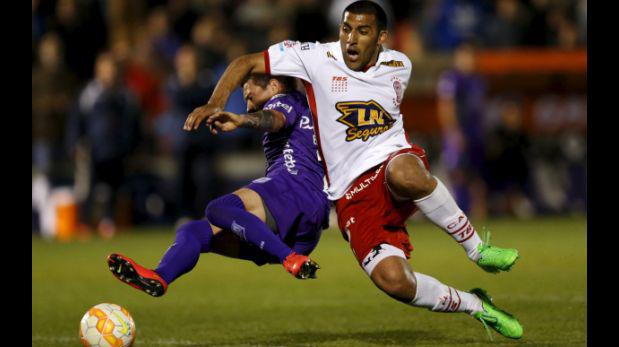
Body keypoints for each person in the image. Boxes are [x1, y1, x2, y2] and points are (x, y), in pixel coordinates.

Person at [184, 0, 522, 340]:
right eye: (347, 29)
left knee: (407, 172)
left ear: (381, 38)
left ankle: (478, 249)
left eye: (363, 31)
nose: (351, 39)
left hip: (391, 162)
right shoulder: (315, 58)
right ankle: (477, 306)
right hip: (351, 194)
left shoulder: (399, 65)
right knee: (394, 281)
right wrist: (216, 102)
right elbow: (246, 62)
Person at [107, 73, 330, 297]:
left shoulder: (286, 99)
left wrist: (241, 120)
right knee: (194, 231)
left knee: (218, 209)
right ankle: (160, 277)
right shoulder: (308, 112)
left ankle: (288, 258)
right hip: (303, 231)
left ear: (273, 86)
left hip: (292, 191)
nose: (247, 102)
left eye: (249, 94)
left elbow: (275, 118)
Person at [66, 52, 141, 236]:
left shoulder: (125, 96)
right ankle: (85, 224)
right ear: (98, 71)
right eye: (106, 70)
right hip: (93, 149)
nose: (110, 74)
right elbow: (76, 121)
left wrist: (132, 147)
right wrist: (74, 144)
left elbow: (133, 124)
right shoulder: (89, 94)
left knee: (114, 188)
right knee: (87, 189)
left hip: (118, 149)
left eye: (113, 70)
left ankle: (109, 222)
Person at [436, 42, 488, 218]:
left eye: (470, 56)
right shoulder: (451, 78)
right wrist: (453, 132)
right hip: (459, 133)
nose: (468, 60)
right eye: (464, 56)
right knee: (457, 172)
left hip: (475, 133)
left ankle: (478, 213)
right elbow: (446, 106)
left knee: (476, 174)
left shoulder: (478, 80)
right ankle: (457, 213)